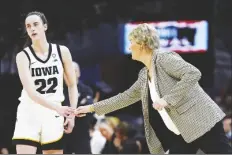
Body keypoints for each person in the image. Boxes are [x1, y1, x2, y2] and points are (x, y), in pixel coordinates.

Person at [75, 23, 232, 154]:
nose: (130, 47)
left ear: (142, 44)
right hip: (184, 132)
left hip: (203, 123)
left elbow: (192, 73)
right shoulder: (144, 74)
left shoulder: (164, 58)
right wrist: (89, 108)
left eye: (132, 42)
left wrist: (167, 100)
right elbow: (125, 97)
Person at [12, 11, 78, 154]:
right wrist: (57, 108)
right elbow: (31, 92)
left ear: (45, 26)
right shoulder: (23, 56)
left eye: (36, 24)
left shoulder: (62, 51)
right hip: (29, 114)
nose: (32, 29)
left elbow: (72, 85)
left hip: (53, 116)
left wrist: (72, 114)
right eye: (28, 26)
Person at [64, 62, 93, 154]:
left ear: (79, 73)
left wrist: (70, 112)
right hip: (63, 134)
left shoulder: (86, 90)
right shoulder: (59, 91)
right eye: (68, 70)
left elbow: (87, 108)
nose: (71, 73)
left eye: (74, 70)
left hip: (81, 133)